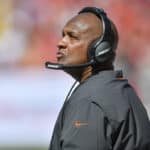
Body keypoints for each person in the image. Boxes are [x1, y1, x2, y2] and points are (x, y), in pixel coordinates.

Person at [47, 7, 150, 150]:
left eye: (72, 36)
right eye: (63, 35)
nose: (61, 43)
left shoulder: (90, 100)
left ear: (100, 49)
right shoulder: (123, 91)